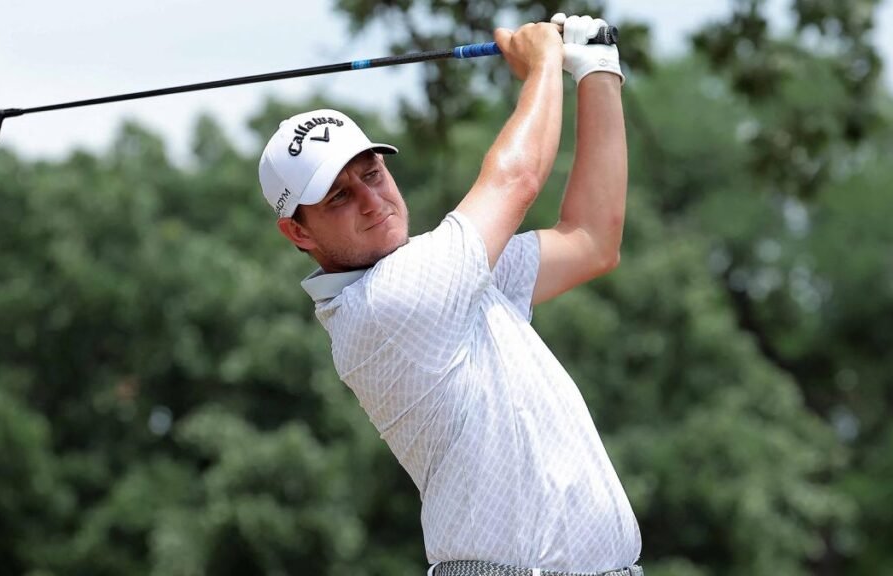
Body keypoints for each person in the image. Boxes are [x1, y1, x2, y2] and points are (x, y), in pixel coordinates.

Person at [258, 12, 641, 576]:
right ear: (298, 232)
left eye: (372, 174)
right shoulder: (389, 302)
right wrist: (543, 64)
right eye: (338, 197)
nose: (371, 201)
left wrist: (597, 69)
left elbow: (591, 241)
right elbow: (516, 180)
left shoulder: (447, 277)